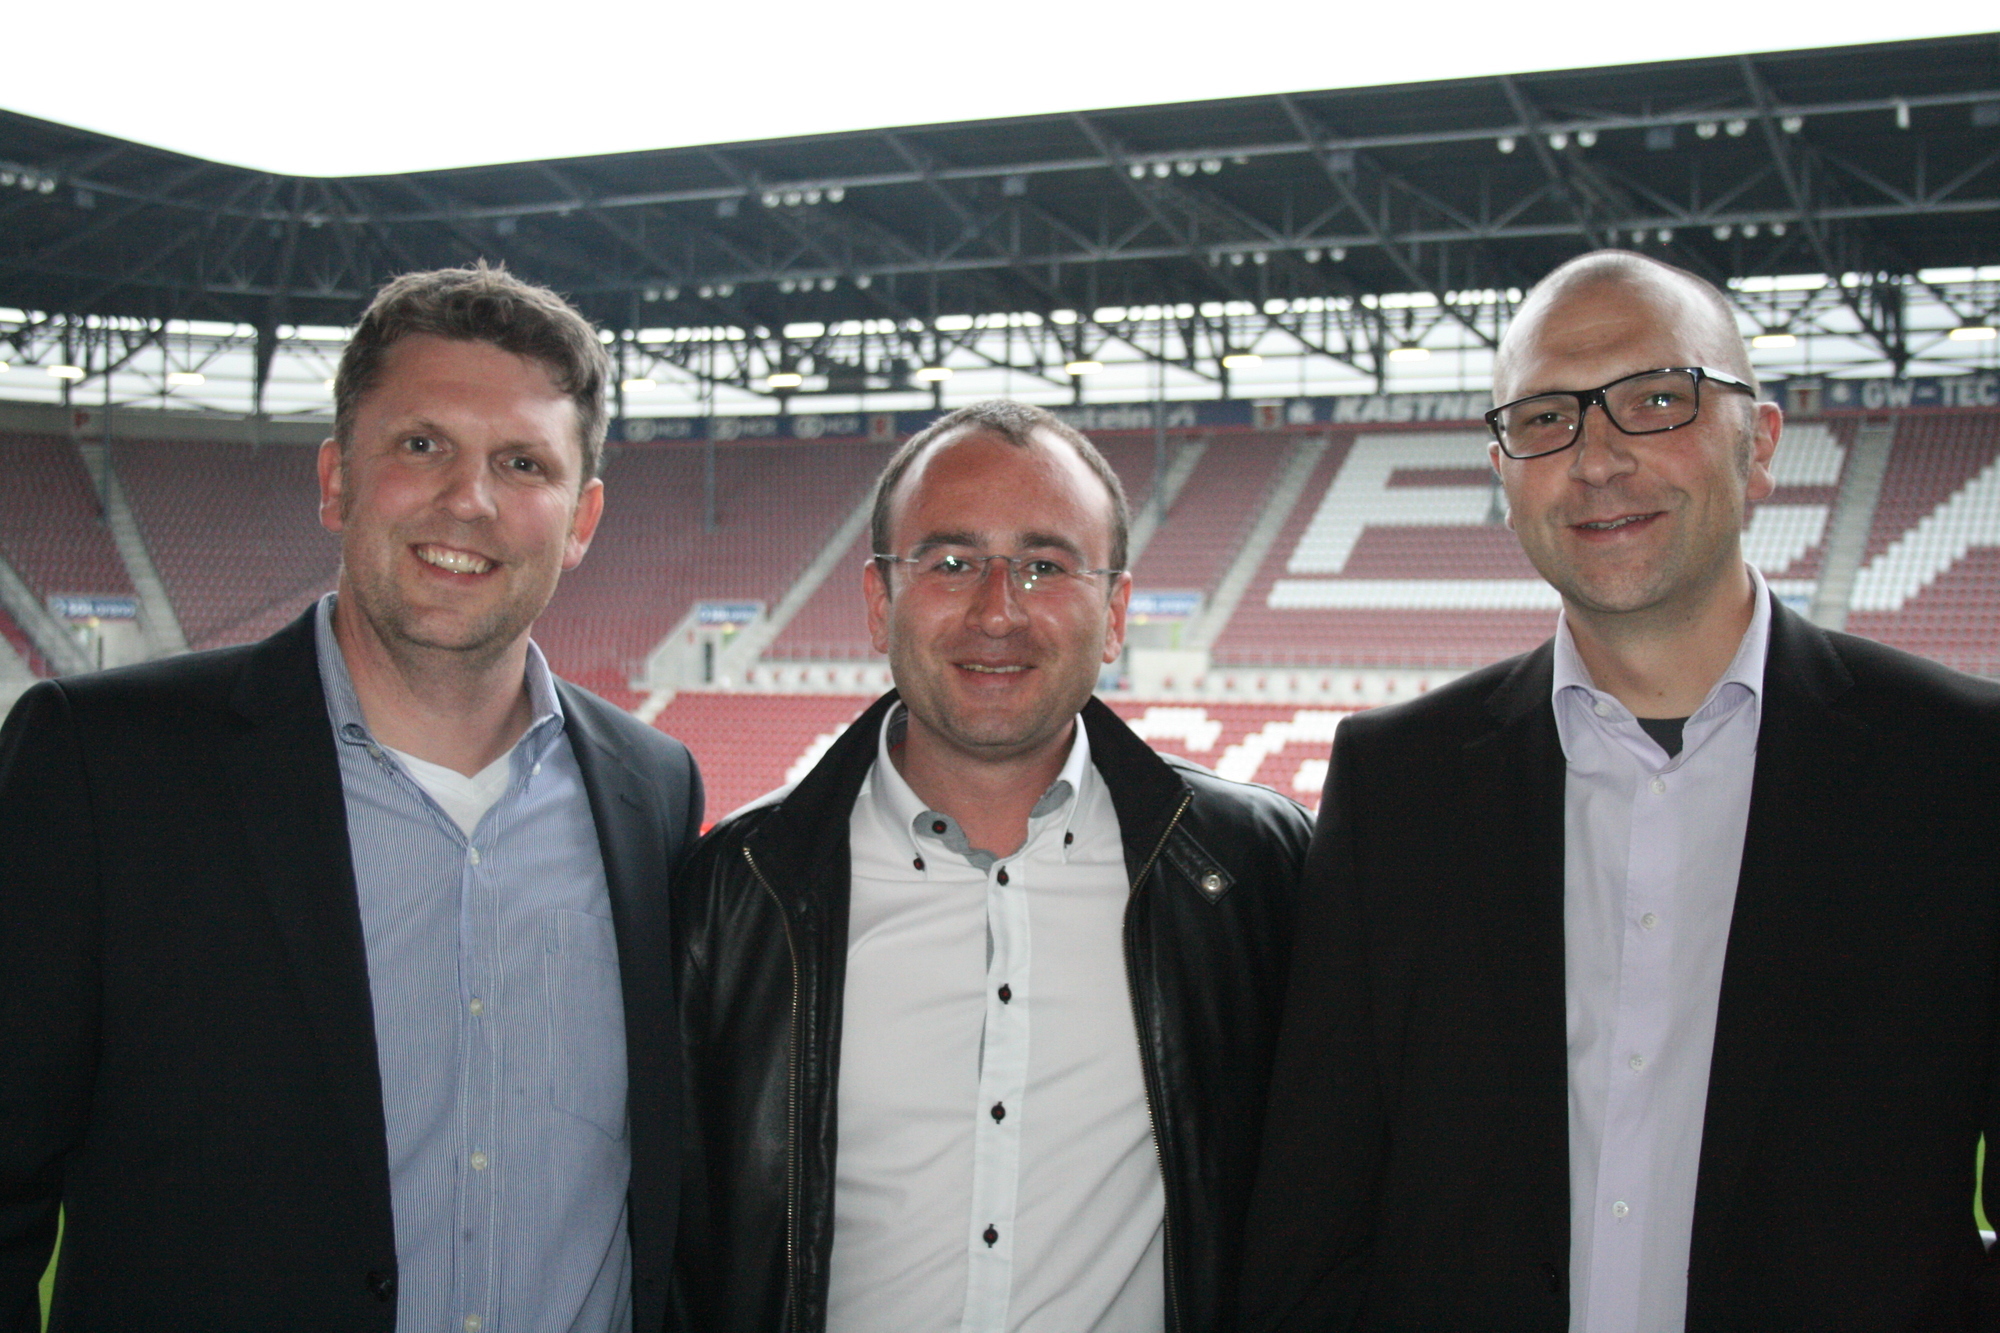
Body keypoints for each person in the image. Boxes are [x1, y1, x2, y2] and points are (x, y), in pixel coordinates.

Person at [1240, 249, 2000, 1331]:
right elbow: (1311, 1222)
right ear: (1502, 474)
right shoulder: (1393, 783)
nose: (1596, 458)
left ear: (1759, 443)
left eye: (1655, 399)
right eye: (1544, 416)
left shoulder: (1961, 770)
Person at [0, 263, 703, 1333]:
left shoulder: (653, 791)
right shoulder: (103, 766)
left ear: (582, 518)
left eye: (522, 462)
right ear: (335, 477)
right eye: (421, 445)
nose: (468, 499)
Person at [668, 400, 1312, 1332]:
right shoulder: (733, 896)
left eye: (1046, 566)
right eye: (952, 562)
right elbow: (685, 1253)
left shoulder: (1256, 874)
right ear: (880, 599)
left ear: (1117, 611)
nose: (998, 610)